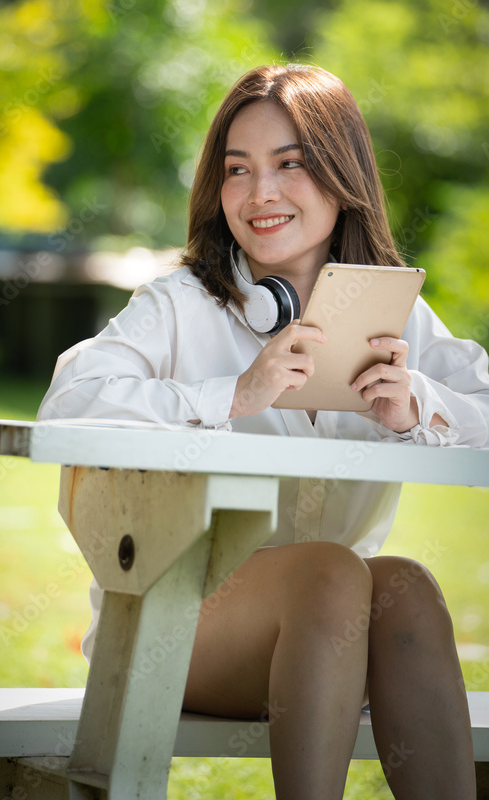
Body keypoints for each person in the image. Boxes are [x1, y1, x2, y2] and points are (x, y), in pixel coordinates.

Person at [38, 64, 489, 799]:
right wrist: (233, 394)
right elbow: (69, 402)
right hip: (176, 636)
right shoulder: (181, 303)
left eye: (290, 165)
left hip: (335, 643)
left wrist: (422, 407)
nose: (260, 194)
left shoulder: (398, 314)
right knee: (330, 571)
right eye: (237, 170)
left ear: (343, 176)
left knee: (405, 585)